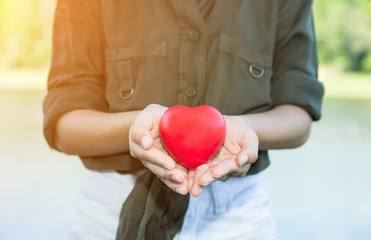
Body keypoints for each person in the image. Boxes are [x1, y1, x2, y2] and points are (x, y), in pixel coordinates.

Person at [43, 0, 324, 239]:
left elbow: (298, 117)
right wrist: (136, 128)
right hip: (109, 212)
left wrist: (237, 132)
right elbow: (63, 124)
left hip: (238, 217)